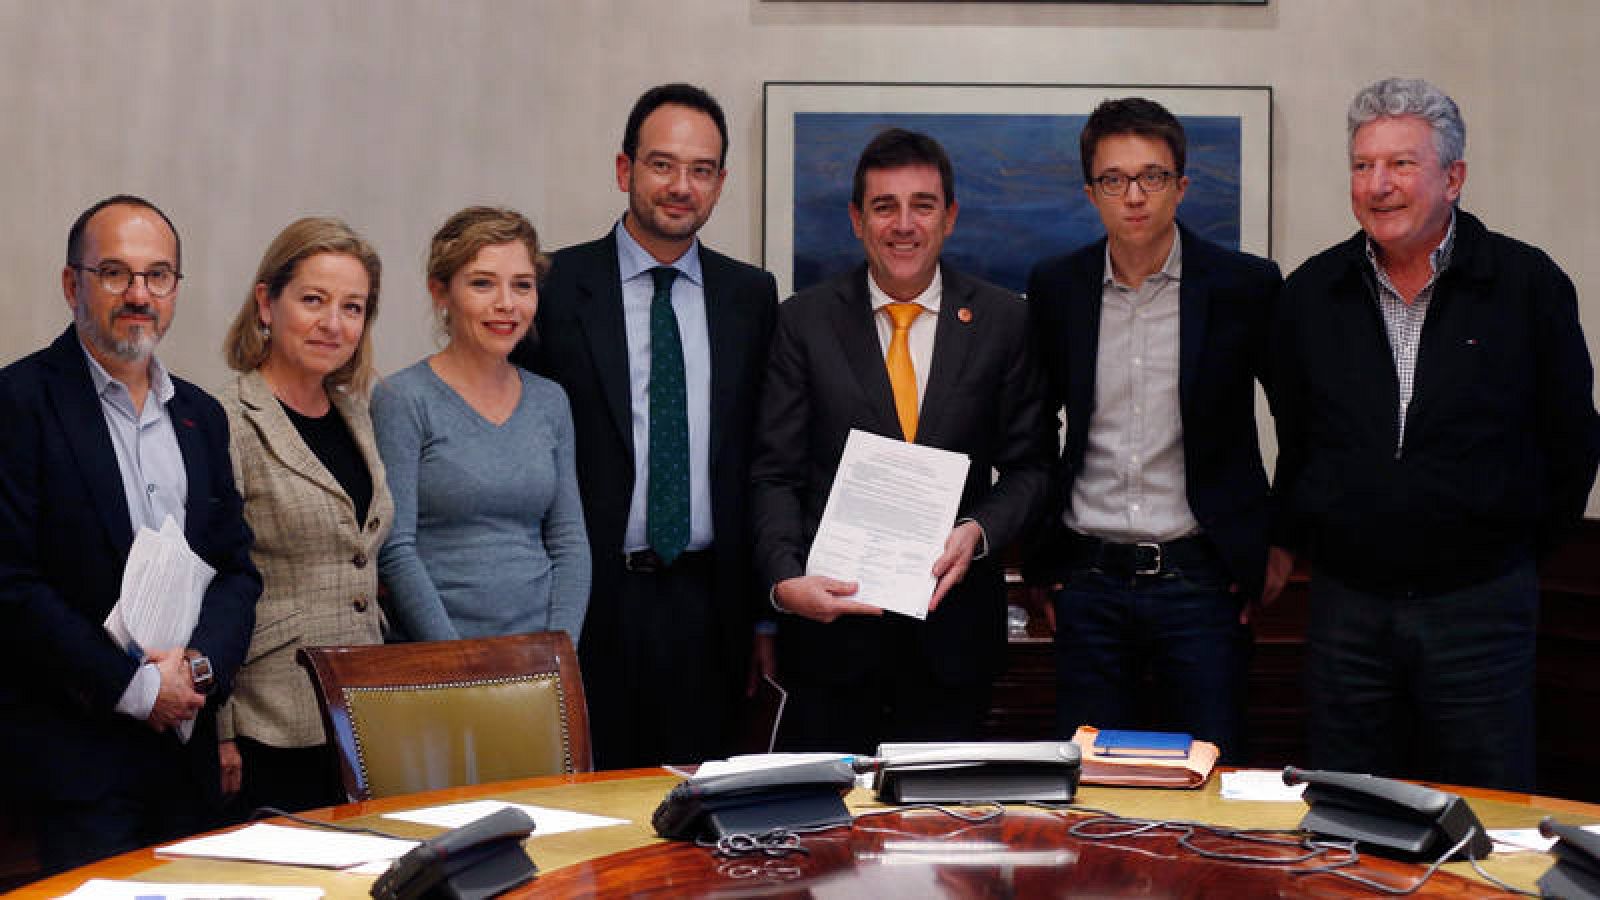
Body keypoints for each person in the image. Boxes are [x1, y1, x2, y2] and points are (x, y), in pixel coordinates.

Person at [1271, 77, 1600, 790]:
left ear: (1453, 177)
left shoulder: (1527, 286)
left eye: (1401, 164)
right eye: (1363, 165)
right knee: (1344, 810)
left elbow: (1573, 441)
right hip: (1347, 610)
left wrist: (1505, 551)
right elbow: (1296, 438)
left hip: (1479, 607)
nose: (1377, 185)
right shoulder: (1310, 295)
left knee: (1487, 807)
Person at [750, 128, 1055, 753]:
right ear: (858, 221)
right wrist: (784, 582)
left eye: (923, 205)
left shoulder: (1003, 321)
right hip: (832, 639)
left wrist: (979, 529)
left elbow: (1032, 467)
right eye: (885, 206)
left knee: (943, 837)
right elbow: (774, 472)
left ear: (950, 218)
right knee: (832, 839)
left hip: (954, 642)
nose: (904, 225)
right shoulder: (804, 320)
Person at [511, 84, 778, 768]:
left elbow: (758, 459)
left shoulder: (751, 296)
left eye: (701, 169)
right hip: (589, 604)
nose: (681, 186)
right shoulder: (552, 286)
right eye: (662, 164)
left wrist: (760, 619)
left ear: (721, 183)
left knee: (702, 832)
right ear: (625, 170)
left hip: (708, 609)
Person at [0, 195, 260, 872]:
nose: (138, 294)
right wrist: (135, 687)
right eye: (114, 273)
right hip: (76, 762)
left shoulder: (202, 415)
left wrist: (201, 668)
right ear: (71, 285)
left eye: (158, 275)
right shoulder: (18, 403)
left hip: (186, 754)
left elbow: (236, 568)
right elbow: (11, 582)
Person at [1024, 98, 1284, 760]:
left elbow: (1304, 424)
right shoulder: (1057, 289)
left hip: (1201, 582)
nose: (1134, 196)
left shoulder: (1244, 287)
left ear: (1181, 186)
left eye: (1153, 176)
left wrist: (1278, 546)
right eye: (1114, 179)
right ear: (1091, 192)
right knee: (1088, 790)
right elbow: (1029, 430)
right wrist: (1042, 563)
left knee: (1210, 781)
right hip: (1089, 582)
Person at [215, 217, 394, 814]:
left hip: (362, 707)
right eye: (313, 300)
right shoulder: (228, 421)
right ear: (266, 302)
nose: (333, 323)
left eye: (352, 307)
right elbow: (210, 581)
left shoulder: (355, 412)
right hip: (269, 711)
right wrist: (221, 728)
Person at [374, 207, 590, 643]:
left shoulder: (550, 400)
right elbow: (396, 548)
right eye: (482, 283)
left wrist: (558, 652)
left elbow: (569, 541)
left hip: (538, 660)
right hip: (437, 658)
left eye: (522, 285)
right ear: (441, 293)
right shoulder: (403, 398)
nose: (506, 304)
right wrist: (461, 662)